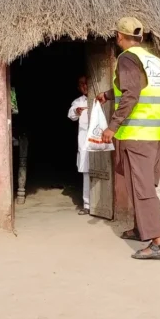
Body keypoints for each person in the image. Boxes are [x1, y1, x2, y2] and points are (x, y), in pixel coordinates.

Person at [96, 16, 160, 260]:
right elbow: (138, 86)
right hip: (154, 133)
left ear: (119, 36)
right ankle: (141, 229)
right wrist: (108, 94)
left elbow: (131, 94)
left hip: (137, 134)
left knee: (142, 188)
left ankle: (158, 243)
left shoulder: (126, 58)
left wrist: (112, 126)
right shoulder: (153, 61)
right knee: (140, 184)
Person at [67, 75, 90, 215]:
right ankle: (87, 204)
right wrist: (77, 111)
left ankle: (102, 204)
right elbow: (71, 114)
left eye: (86, 83)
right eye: (81, 84)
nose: (84, 86)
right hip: (85, 141)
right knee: (87, 172)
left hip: (101, 139)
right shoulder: (78, 102)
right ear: (78, 87)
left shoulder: (101, 97)